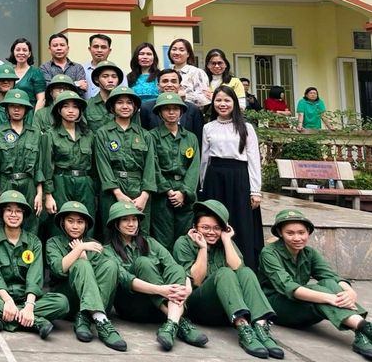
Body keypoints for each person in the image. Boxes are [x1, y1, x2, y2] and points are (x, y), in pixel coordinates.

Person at [259, 209, 372, 360]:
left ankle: (362, 333)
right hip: (277, 306)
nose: (297, 238)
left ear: (308, 232)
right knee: (321, 293)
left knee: (329, 283)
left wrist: (350, 292)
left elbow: (330, 276)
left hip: (302, 303)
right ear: (280, 233)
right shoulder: (269, 253)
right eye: (290, 233)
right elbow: (289, 288)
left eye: (301, 232)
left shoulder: (309, 253)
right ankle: (365, 327)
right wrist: (330, 298)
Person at [172, 200, 281, 359]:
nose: (211, 232)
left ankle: (260, 325)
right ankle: (243, 328)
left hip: (227, 309)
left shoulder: (225, 242)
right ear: (195, 227)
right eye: (205, 227)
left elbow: (238, 269)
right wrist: (202, 248)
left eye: (217, 228)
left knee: (246, 272)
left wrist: (227, 239)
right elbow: (196, 281)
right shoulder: (183, 243)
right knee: (224, 273)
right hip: (199, 307)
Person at [103, 201, 208, 351]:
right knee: (144, 263)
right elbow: (126, 280)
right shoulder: (107, 251)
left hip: (156, 307)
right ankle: (181, 322)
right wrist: (161, 290)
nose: (131, 224)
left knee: (177, 268)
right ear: (115, 224)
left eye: (134, 219)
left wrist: (188, 287)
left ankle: (172, 323)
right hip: (132, 306)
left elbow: (173, 266)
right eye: (125, 220)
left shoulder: (150, 242)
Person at [0, 190, 70, 338]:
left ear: (24, 215)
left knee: (62, 303)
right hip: (1, 298)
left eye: (18, 211)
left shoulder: (34, 242)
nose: (13, 215)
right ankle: (36, 321)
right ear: (2, 213)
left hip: (29, 298)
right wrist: (8, 301)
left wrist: (29, 306)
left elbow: (34, 277)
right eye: (9, 210)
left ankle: (8, 320)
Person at [45, 201, 127, 351]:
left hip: (96, 300)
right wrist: (80, 249)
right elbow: (58, 269)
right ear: (63, 222)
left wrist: (85, 255)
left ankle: (85, 317)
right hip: (69, 300)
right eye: (70, 221)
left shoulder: (93, 244)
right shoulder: (53, 243)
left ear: (86, 225)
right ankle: (101, 320)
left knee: (111, 265)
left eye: (80, 222)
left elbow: (103, 277)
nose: (75, 226)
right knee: (81, 264)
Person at [200, 85, 263, 270]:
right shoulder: (208, 127)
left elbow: (253, 159)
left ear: (234, 103)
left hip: (239, 178)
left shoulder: (246, 128)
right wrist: (203, 185)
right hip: (215, 178)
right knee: (215, 221)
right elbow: (205, 158)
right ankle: (214, 266)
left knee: (240, 222)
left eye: (227, 100)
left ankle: (243, 267)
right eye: (218, 100)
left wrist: (255, 190)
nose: (222, 104)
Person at [94, 85, 157, 237]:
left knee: (140, 232)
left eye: (129, 103)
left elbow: (150, 166)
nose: (125, 106)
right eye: (120, 102)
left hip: (139, 189)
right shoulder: (103, 133)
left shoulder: (145, 135)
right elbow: (103, 165)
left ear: (134, 107)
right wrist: (117, 193)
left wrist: (144, 196)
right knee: (112, 232)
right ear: (112, 107)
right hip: (112, 189)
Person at [0, 89, 45, 236]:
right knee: (3, 222)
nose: (16, 109)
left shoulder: (35, 133)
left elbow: (39, 166)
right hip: (6, 182)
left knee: (30, 223)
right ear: (7, 108)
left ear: (26, 109)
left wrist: (39, 193)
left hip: (29, 184)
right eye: (12, 106)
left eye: (20, 106)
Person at [148, 93, 201, 248]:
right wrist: (168, 191)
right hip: (162, 194)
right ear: (160, 112)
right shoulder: (152, 136)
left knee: (184, 238)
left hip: (185, 194)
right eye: (166, 109)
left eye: (175, 109)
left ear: (181, 112)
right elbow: (153, 165)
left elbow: (194, 168)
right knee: (162, 238)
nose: (171, 112)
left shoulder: (190, 138)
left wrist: (183, 192)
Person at [41, 91, 97, 221]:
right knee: (61, 221)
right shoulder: (50, 135)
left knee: (87, 221)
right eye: (66, 106)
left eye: (75, 107)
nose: (71, 111)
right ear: (59, 110)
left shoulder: (89, 135)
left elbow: (95, 166)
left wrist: (94, 190)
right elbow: (47, 167)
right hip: (61, 182)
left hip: (85, 183)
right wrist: (48, 195)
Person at [139, 69, 205, 142]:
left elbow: (198, 139)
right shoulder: (146, 108)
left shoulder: (193, 109)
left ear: (180, 86)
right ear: (158, 86)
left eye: (174, 81)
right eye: (165, 81)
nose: (169, 85)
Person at [168, 38, 211, 108]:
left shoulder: (196, 72)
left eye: (181, 50)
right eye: (174, 49)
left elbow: (205, 98)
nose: (177, 53)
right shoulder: (166, 72)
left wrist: (185, 96)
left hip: (190, 111)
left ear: (188, 54)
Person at [7, 38, 46, 111]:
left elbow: (41, 99)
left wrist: (36, 117)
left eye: (24, 50)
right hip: (10, 113)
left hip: (30, 113)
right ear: (13, 52)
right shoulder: (9, 72)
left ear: (29, 54)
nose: (21, 53)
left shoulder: (36, 72)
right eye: (18, 50)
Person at [85, 61, 124, 131]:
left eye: (114, 77)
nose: (110, 80)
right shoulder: (87, 106)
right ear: (96, 79)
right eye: (105, 76)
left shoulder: (127, 105)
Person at [83, 34, 112, 99]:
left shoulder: (118, 72)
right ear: (90, 49)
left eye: (103, 47)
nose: (99, 50)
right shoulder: (81, 70)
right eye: (96, 47)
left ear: (109, 51)